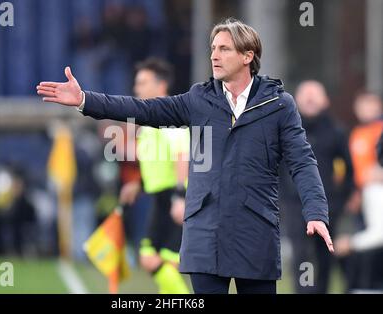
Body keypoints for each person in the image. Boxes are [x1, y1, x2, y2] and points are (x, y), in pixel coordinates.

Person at [37, 18, 334, 294]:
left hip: (254, 235)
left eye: (224, 49)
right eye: (213, 48)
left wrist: (316, 211)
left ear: (247, 56)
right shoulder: (198, 99)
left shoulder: (279, 105)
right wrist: (86, 100)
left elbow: (302, 161)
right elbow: (144, 110)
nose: (214, 55)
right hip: (205, 235)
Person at [118, 58, 190, 293]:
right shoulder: (150, 120)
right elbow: (157, 159)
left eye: (142, 83)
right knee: (150, 258)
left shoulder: (169, 115)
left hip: (175, 196)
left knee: (168, 263)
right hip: (160, 197)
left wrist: (180, 197)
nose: (136, 88)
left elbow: (182, 155)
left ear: (160, 86)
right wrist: (137, 185)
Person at [279, 81, 354, 293]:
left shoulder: (336, 131)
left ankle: (321, 290)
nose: (310, 99)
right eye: (306, 95)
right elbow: (276, 169)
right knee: (302, 255)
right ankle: (305, 291)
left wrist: (340, 201)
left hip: (328, 206)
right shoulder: (287, 130)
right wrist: (282, 197)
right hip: (295, 205)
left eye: (315, 95)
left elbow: (349, 170)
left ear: (325, 100)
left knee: (324, 255)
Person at [334, 93, 383, 291]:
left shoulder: (380, 130)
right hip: (363, 195)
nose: (365, 110)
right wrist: (355, 192)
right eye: (361, 106)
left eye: (369, 105)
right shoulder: (357, 133)